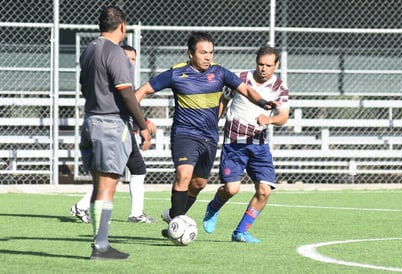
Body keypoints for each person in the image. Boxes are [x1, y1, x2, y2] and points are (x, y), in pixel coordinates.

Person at [134, 32, 277, 238]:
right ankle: (177, 224)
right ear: (191, 53)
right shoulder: (176, 73)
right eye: (203, 53)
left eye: (211, 52)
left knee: (199, 184)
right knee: (184, 174)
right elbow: (142, 91)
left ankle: (174, 215)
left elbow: (245, 90)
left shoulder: (219, 72)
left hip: (209, 138)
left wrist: (263, 103)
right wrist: (139, 121)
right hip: (185, 134)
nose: (208, 57)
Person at [79, 6, 150, 260]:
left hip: (90, 121)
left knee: (99, 187)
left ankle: (100, 243)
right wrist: (143, 125)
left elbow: (83, 88)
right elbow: (125, 92)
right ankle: (101, 247)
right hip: (110, 124)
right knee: (107, 188)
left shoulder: (89, 50)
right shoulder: (116, 53)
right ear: (123, 25)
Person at [202, 45, 290, 243]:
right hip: (234, 143)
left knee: (265, 190)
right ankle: (214, 207)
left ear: (276, 65)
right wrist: (212, 123)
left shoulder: (280, 87)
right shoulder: (239, 78)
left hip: (259, 145)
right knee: (232, 189)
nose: (263, 69)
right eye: (260, 64)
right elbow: (222, 100)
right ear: (255, 62)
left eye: (268, 65)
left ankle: (240, 232)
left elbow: (283, 116)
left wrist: (270, 120)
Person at [71, 45, 157, 224]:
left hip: (123, 129)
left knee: (135, 169)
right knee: (112, 174)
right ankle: (83, 207)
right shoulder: (116, 75)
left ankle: (135, 213)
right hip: (116, 130)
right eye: (127, 58)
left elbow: (129, 103)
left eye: (134, 59)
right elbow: (124, 103)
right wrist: (144, 124)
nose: (131, 62)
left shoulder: (123, 75)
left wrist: (144, 121)